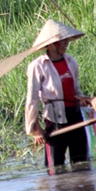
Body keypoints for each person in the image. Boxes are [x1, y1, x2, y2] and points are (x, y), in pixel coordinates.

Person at [25, 19, 90, 172]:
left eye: (66, 41)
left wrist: (86, 101)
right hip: (54, 118)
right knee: (55, 167)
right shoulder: (38, 66)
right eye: (62, 41)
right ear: (51, 44)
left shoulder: (71, 61)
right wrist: (35, 129)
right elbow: (32, 99)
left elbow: (76, 91)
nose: (66, 44)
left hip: (74, 116)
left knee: (81, 164)